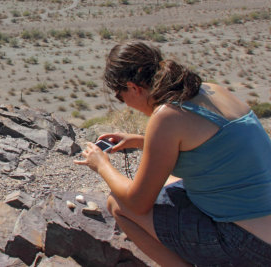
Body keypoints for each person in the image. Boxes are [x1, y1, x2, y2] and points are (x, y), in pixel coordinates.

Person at [74, 41, 271, 266]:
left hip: (248, 244)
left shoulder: (167, 116)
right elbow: (211, 146)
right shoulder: (210, 90)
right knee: (168, 181)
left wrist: (102, 165)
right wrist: (140, 141)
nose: (125, 104)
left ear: (133, 87)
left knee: (118, 205)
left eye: (121, 96)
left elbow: (138, 203)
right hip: (262, 226)